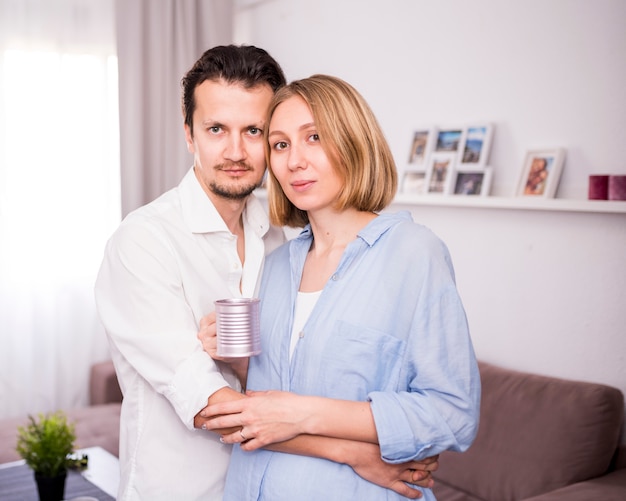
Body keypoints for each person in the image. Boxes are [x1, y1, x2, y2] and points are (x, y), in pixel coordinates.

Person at [95, 46, 437, 500]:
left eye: (254, 131)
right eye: (216, 129)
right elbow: (209, 407)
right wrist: (353, 451)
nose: (235, 151)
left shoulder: (284, 241)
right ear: (189, 135)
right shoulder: (142, 242)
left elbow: (284, 376)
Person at [199, 75, 481, 500]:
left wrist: (303, 414)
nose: (295, 161)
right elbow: (270, 395)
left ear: (354, 141)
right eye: (280, 144)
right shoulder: (275, 265)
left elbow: (453, 412)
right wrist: (235, 360)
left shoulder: (414, 254)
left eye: (314, 137)